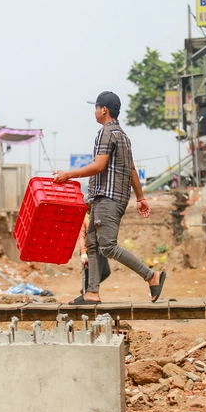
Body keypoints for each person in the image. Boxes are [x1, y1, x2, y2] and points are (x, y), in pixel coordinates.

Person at [54, 91, 166, 304]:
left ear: (103, 109)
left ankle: (151, 276)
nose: (95, 112)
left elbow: (99, 165)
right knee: (93, 243)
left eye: (96, 107)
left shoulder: (105, 133)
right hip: (106, 198)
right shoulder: (123, 136)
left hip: (108, 197)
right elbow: (131, 168)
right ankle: (92, 293)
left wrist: (68, 174)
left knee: (107, 246)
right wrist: (140, 197)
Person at [77, 213, 110, 294]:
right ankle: (86, 294)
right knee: (88, 275)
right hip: (89, 251)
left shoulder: (97, 214)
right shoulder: (84, 218)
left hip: (100, 250)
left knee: (106, 271)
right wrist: (83, 252)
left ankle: (89, 290)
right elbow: (81, 236)